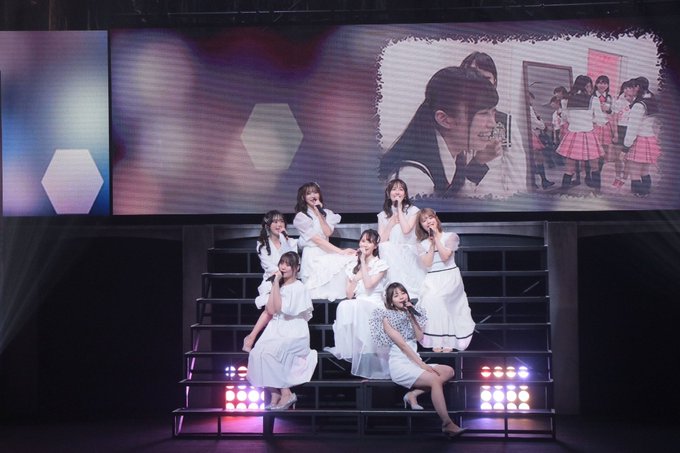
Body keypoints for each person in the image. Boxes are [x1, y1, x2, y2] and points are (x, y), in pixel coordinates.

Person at [378, 66, 502, 198]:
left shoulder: (455, 155)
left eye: (493, 113)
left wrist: (479, 162)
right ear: (444, 119)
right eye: (483, 113)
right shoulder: (414, 178)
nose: (492, 124)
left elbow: (457, 195)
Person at [369, 282, 466, 438]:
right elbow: (403, 346)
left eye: (403, 293)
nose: (401, 297)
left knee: (448, 371)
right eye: (396, 295)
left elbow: (419, 337)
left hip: (414, 359)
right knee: (435, 380)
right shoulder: (386, 317)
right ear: (390, 301)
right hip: (401, 363)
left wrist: (412, 315)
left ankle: (412, 395)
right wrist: (421, 365)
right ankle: (447, 423)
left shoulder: (411, 312)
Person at [246, 251, 318, 410]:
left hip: (293, 329)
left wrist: (276, 284)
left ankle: (286, 393)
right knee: (257, 353)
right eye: (282, 263)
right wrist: (275, 284)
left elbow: (279, 308)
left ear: (296, 268)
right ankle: (274, 393)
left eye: (288, 264)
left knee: (272, 352)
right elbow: (270, 310)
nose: (283, 267)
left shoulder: (299, 288)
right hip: (276, 328)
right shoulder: (278, 285)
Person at [459, 51, 529, 196]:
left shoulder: (504, 121)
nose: (480, 85)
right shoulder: (455, 122)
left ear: (495, 82)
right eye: (473, 78)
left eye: (486, 79)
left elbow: (516, 171)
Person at [326, 229, 390, 379]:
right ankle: (351, 350)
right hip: (359, 302)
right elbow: (349, 295)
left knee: (359, 307)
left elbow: (369, 285)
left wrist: (362, 264)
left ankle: (370, 358)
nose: (364, 244)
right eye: (362, 241)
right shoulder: (352, 266)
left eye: (369, 241)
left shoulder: (380, 264)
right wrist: (356, 276)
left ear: (375, 245)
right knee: (344, 305)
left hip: (374, 303)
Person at [415, 208, 475, 352]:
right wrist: (431, 244)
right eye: (424, 220)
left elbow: (445, 256)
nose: (428, 222)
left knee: (442, 299)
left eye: (430, 218)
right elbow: (427, 263)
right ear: (421, 225)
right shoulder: (421, 244)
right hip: (432, 277)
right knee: (430, 300)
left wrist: (436, 238)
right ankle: (436, 340)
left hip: (449, 276)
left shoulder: (450, 236)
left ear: (436, 219)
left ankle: (450, 340)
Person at [242, 210, 298, 353]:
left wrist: (284, 239)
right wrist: (281, 273)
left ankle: (253, 338)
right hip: (272, 281)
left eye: (281, 221)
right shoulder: (262, 244)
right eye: (275, 221)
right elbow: (270, 267)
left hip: (290, 281)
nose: (279, 224)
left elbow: (293, 261)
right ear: (268, 225)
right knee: (270, 307)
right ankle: (252, 338)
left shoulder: (291, 242)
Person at [293, 182, 356, 301]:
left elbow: (327, 233)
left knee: (351, 259)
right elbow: (317, 240)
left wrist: (319, 213)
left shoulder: (327, 213)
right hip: (313, 254)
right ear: (303, 197)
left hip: (327, 251)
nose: (313, 195)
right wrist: (340, 251)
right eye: (309, 193)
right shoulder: (301, 217)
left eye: (315, 192)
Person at [554, 75, 605, 192]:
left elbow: (565, 118)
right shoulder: (593, 100)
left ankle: (563, 193)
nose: (590, 89)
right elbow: (600, 120)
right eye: (589, 86)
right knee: (595, 166)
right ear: (586, 86)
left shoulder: (566, 100)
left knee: (569, 168)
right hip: (588, 134)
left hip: (573, 135)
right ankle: (597, 192)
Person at [377, 179, 425, 298]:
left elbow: (406, 230)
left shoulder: (414, 210)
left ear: (405, 194)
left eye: (401, 189)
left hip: (409, 250)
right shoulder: (382, 215)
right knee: (384, 246)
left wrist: (399, 209)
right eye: (394, 189)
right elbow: (381, 241)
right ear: (388, 194)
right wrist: (391, 223)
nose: (397, 192)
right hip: (392, 254)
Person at [623, 77, 660, 197]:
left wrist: (625, 147)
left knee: (635, 170)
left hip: (639, 140)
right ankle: (645, 191)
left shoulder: (638, 105)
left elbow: (632, 128)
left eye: (631, 87)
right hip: (649, 138)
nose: (629, 90)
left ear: (637, 87)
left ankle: (639, 192)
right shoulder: (651, 101)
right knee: (645, 170)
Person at [610, 79, 636, 188]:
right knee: (618, 157)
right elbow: (614, 119)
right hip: (620, 129)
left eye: (631, 87)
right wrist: (615, 133)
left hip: (632, 130)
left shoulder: (638, 102)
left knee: (628, 158)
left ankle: (624, 179)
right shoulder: (619, 102)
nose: (628, 90)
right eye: (626, 88)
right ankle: (617, 177)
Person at [528, 92, 554, 189]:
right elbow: (536, 123)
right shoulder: (529, 108)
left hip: (530, 133)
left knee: (534, 158)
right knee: (538, 158)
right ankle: (542, 181)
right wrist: (542, 124)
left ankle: (538, 181)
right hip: (531, 134)